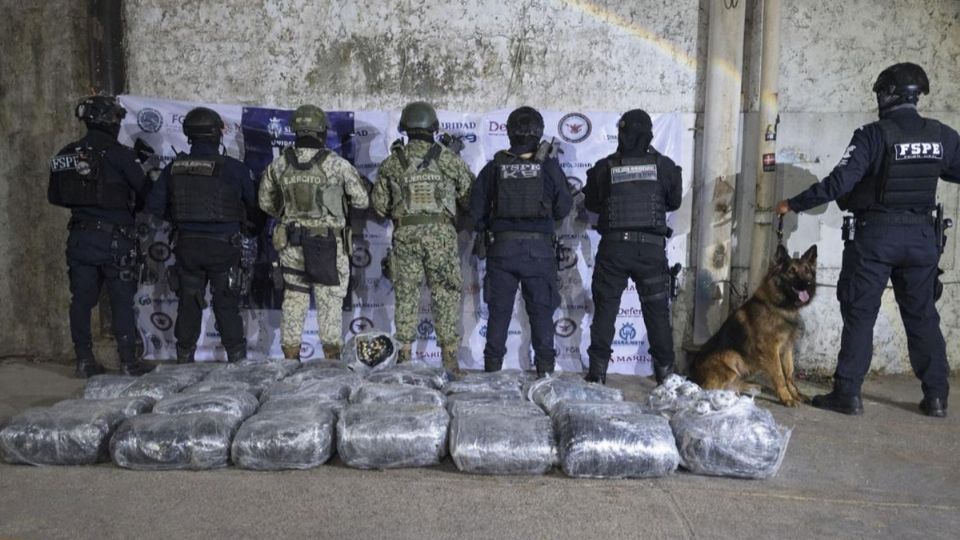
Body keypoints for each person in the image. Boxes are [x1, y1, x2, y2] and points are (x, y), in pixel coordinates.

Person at [777, 62, 960, 418]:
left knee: (860, 314)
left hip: (876, 237)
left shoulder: (873, 136)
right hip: (921, 237)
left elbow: (839, 183)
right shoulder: (941, 135)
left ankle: (848, 394)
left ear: (887, 94)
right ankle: (937, 397)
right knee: (923, 316)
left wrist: (793, 204)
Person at [48, 95, 153, 378]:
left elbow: (55, 196)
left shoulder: (65, 154)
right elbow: (146, 195)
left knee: (81, 301)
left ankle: (84, 360)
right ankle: (128, 363)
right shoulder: (120, 155)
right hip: (115, 240)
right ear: (110, 121)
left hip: (80, 238)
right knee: (121, 301)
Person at [146, 107, 261, 363]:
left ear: (189, 135)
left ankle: (184, 360)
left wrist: (180, 219)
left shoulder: (174, 168)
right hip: (224, 248)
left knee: (189, 302)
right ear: (217, 134)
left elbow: (154, 205)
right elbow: (253, 207)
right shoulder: (234, 168)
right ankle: (237, 362)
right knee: (226, 304)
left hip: (188, 246)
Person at [259, 105, 369, 361]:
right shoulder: (337, 164)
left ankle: (290, 360)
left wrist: (287, 216)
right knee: (329, 303)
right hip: (327, 245)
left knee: (294, 300)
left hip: (292, 244)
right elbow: (362, 200)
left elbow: (265, 203)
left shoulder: (279, 164)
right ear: (322, 132)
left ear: (295, 130)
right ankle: (331, 362)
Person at [371, 101, 474, 373]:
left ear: (404, 127)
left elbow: (379, 207)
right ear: (434, 128)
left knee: (406, 294)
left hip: (405, 235)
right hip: (441, 236)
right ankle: (449, 360)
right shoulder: (449, 160)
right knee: (445, 294)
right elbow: (470, 199)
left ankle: (404, 357)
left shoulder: (392, 163)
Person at [470, 106, 572, 377]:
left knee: (499, 314)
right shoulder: (549, 166)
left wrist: (492, 227)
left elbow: (476, 212)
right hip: (539, 252)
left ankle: (492, 373)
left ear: (509, 132)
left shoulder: (495, 166)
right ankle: (545, 374)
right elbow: (563, 208)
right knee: (541, 313)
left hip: (502, 250)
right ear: (538, 132)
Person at [582, 109, 682, 385]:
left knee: (606, 310)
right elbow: (674, 202)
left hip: (614, 249)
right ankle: (665, 376)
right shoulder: (664, 166)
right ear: (648, 134)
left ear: (622, 133)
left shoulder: (605, 167)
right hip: (650, 251)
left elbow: (592, 203)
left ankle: (597, 374)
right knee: (657, 312)